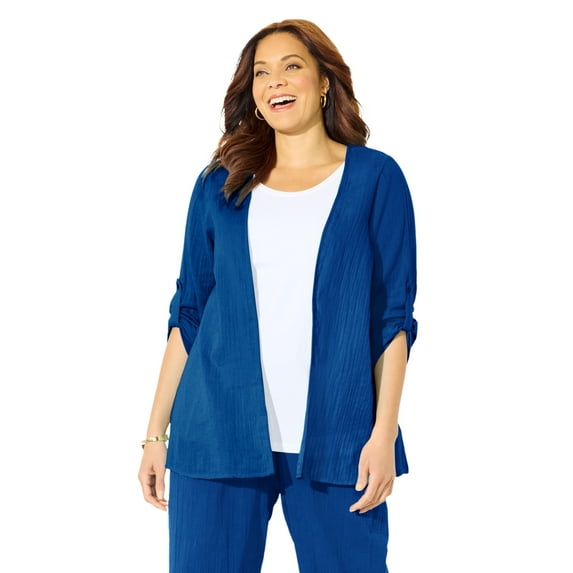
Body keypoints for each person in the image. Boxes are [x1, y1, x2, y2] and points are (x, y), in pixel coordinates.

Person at [138, 18, 418, 573]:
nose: (275, 82)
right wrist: (154, 434)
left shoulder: (375, 178)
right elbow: (189, 312)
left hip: (339, 440)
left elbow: (393, 319)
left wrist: (383, 433)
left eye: (292, 66)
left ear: (324, 81)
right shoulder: (221, 184)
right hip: (216, 435)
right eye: (261, 73)